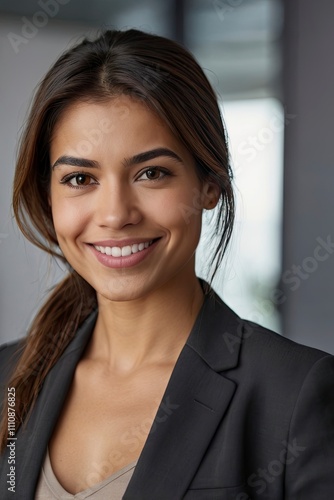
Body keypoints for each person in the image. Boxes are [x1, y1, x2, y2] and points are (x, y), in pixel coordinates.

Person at [0, 28, 333, 500]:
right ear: (48, 196)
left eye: (151, 173)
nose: (116, 214)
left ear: (210, 183)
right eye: (79, 178)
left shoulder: (294, 397)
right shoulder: (8, 382)